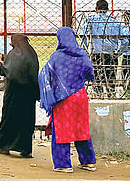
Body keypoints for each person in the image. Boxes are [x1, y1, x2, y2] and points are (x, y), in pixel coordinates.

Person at [39, 27, 97, 173]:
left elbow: (46, 73)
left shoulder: (56, 57)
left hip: (62, 98)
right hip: (80, 96)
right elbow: (90, 73)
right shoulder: (82, 54)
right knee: (81, 128)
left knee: (61, 129)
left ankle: (63, 164)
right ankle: (88, 162)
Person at [0, 34, 39, 157]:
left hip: (13, 94)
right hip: (28, 95)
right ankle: (26, 149)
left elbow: (6, 71)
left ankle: (4, 146)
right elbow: (35, 75)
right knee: (27, 121)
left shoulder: (13, 54)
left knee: (9, 119)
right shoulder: (32, 54)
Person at [82, 0, 120, 94]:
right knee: (111, 79)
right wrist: (119, 51)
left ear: (96, 9)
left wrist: (85, 51)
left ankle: (98, 96)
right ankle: (111, 96)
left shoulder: (90, 20)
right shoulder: (115, 21)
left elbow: (84, 35)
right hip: (111, 53)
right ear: (107, 9)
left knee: (97, 79)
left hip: (96, 52)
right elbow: (122, 38)